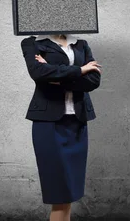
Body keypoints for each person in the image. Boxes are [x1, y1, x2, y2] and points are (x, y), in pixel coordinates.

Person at [20, 33, 102, 221]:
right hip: (49, 123)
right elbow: (38, 73)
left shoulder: (81, 44)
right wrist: (80, 70)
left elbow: (94, 80)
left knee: (69, 192)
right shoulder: (32, 43)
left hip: (78, 122)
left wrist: (55, 74)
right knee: (59, 191)